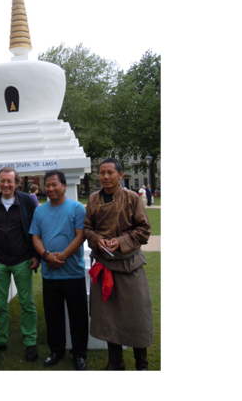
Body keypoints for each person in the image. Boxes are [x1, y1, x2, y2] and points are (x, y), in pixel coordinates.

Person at [83, 157, 153, 371]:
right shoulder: (94, 199)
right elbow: (87, 228)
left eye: (110, 173)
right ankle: (115, 362)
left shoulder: (132, 198)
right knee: (108, 317)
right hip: (105, 267)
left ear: (120, 175)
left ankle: (141, 363)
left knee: (136, 316)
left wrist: (120, 242)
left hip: (129, 267)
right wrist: (98, 240)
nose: (105, 176)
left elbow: (144, 230)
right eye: (102, 173)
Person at [29, 170, 88, 371]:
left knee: (78, 316)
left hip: (73, 273)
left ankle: (79, 354)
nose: (51, 188)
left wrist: (60, 257)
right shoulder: (39, 211)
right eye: (48, 185)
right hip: (50, 274)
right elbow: (35, 237)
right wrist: (46, 256)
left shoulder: (77, 208)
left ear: (64, 186)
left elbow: (80, 236)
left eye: (55, 184)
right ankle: (56, 351)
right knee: (53, 316)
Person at [0, 167, 39, 362]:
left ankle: (30, 342)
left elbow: (34, 228)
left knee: (27, 304)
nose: (6, 185)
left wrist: (35, 255)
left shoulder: (27, 201)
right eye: (2, 181)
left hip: (22, 259)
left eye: (10, 181)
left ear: (17, 183)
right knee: (0, 304)